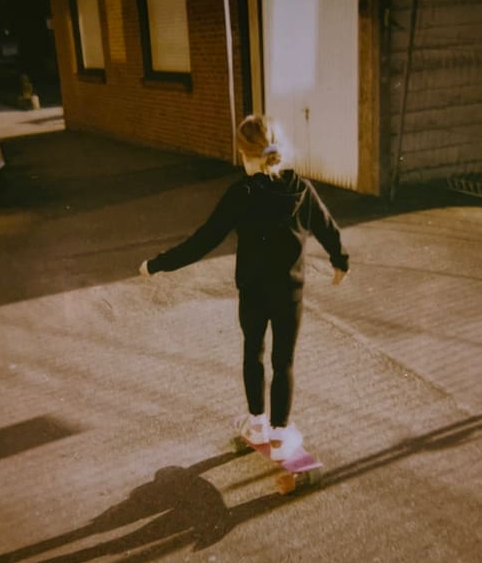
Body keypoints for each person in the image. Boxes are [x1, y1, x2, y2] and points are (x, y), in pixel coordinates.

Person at [139, 114, 349, 461]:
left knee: (254, 352)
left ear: (243, 153)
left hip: (253, 292)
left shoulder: (241, 193)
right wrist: (340, 261)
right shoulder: (300, 188)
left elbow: (204, 239)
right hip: (289, 294)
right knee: (284, 361)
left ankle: (257, 423)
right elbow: (327, 228)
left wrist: (159, 263)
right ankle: (281, 434)